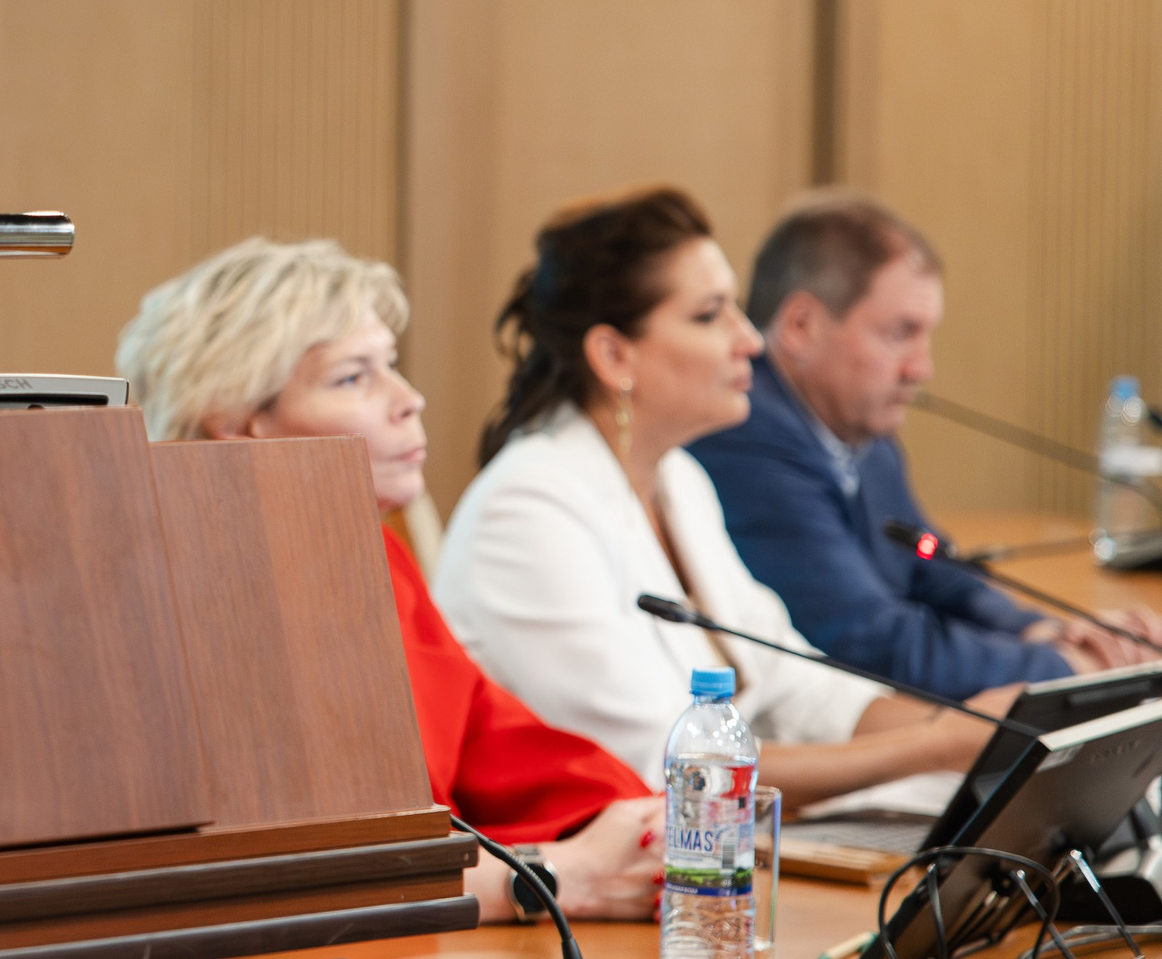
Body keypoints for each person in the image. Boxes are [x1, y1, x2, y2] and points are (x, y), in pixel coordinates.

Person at [118, 238, 665, 924]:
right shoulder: (184, 591)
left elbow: (497, 747)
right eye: (354, 378)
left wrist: (645, 825)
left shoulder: (371, 555)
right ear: (237, 422)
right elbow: (298, 876)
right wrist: (551, 877)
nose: (409, 400)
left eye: (393, 367)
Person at [431, 187, 1013, 812]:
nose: (750, 341)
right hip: (595, 878)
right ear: (612, 354)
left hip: (709, 848)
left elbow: (795, 685)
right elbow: (674, 770)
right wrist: (939, 745)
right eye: (710, 316)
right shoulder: (525, 513)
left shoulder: (679, 479)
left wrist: (983, 735)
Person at [689, 192, 1157, 693]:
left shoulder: (853, 424)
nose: (921, 369)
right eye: (900, 333)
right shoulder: (746, 437)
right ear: (802, 327)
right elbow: (872, 643)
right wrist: (1067, 669)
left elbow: (932, 567)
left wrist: (1043, 630)